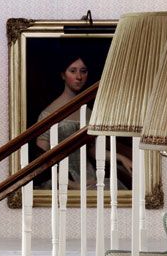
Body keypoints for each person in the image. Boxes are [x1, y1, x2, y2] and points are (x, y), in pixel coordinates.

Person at [34, 53, 131, 187]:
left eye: (83, 71)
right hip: (61, 181)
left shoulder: (89, 113)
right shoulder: (48, 114)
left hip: (91, 179)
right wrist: (71, 184)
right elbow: (41, 160)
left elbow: (93, 150)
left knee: (115, 187)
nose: (79, 77)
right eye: (73, 71)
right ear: (63, 75)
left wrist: (122, 158)